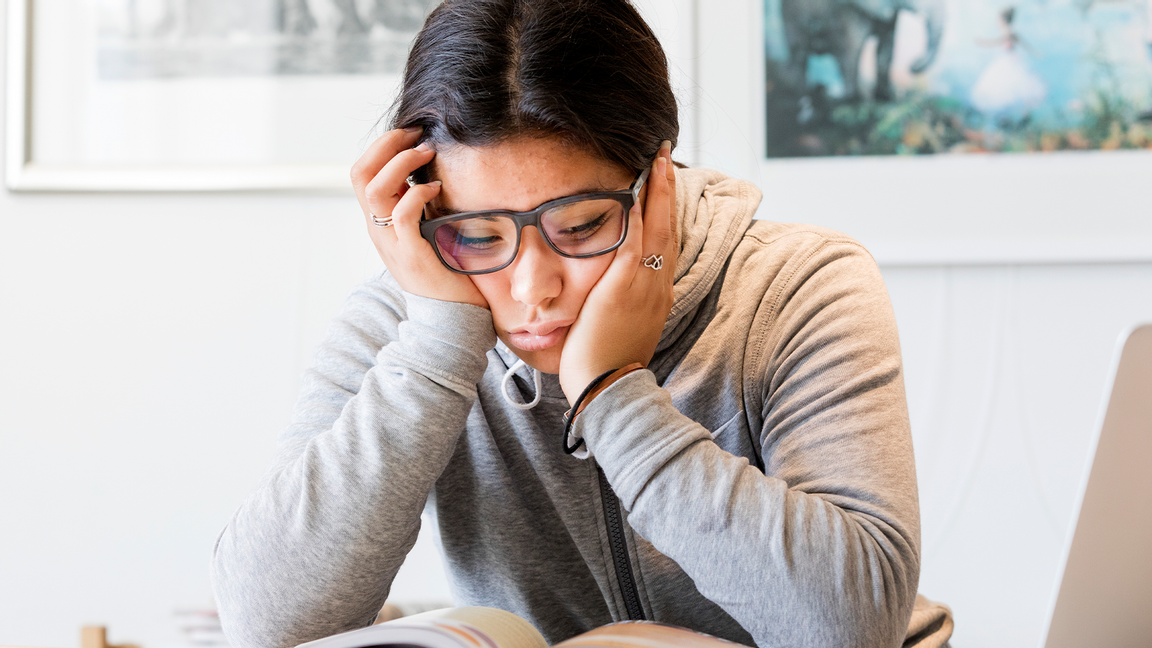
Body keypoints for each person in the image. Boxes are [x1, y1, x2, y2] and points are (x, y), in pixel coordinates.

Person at [210, 1, 954, 647]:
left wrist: (615, 393)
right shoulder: (406, 325)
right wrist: (438, 347)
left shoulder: (801, 286)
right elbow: (267, 626)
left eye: (582, 224)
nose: (533, 288)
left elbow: (854, 630)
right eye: (479, 234)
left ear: (658, 179)